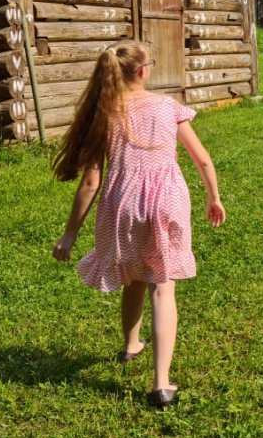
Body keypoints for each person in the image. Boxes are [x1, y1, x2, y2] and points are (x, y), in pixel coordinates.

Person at [51, 41, 226, 409]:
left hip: (123, 206)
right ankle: (161, 384)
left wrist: (70, 234)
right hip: (166, 202)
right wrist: (214, 197)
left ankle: (131, 345)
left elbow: (91, 182)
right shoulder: (168, 107)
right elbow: (203, 160)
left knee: (132, 276)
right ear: (144, 71)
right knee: (162, 286)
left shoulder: (105, 113)